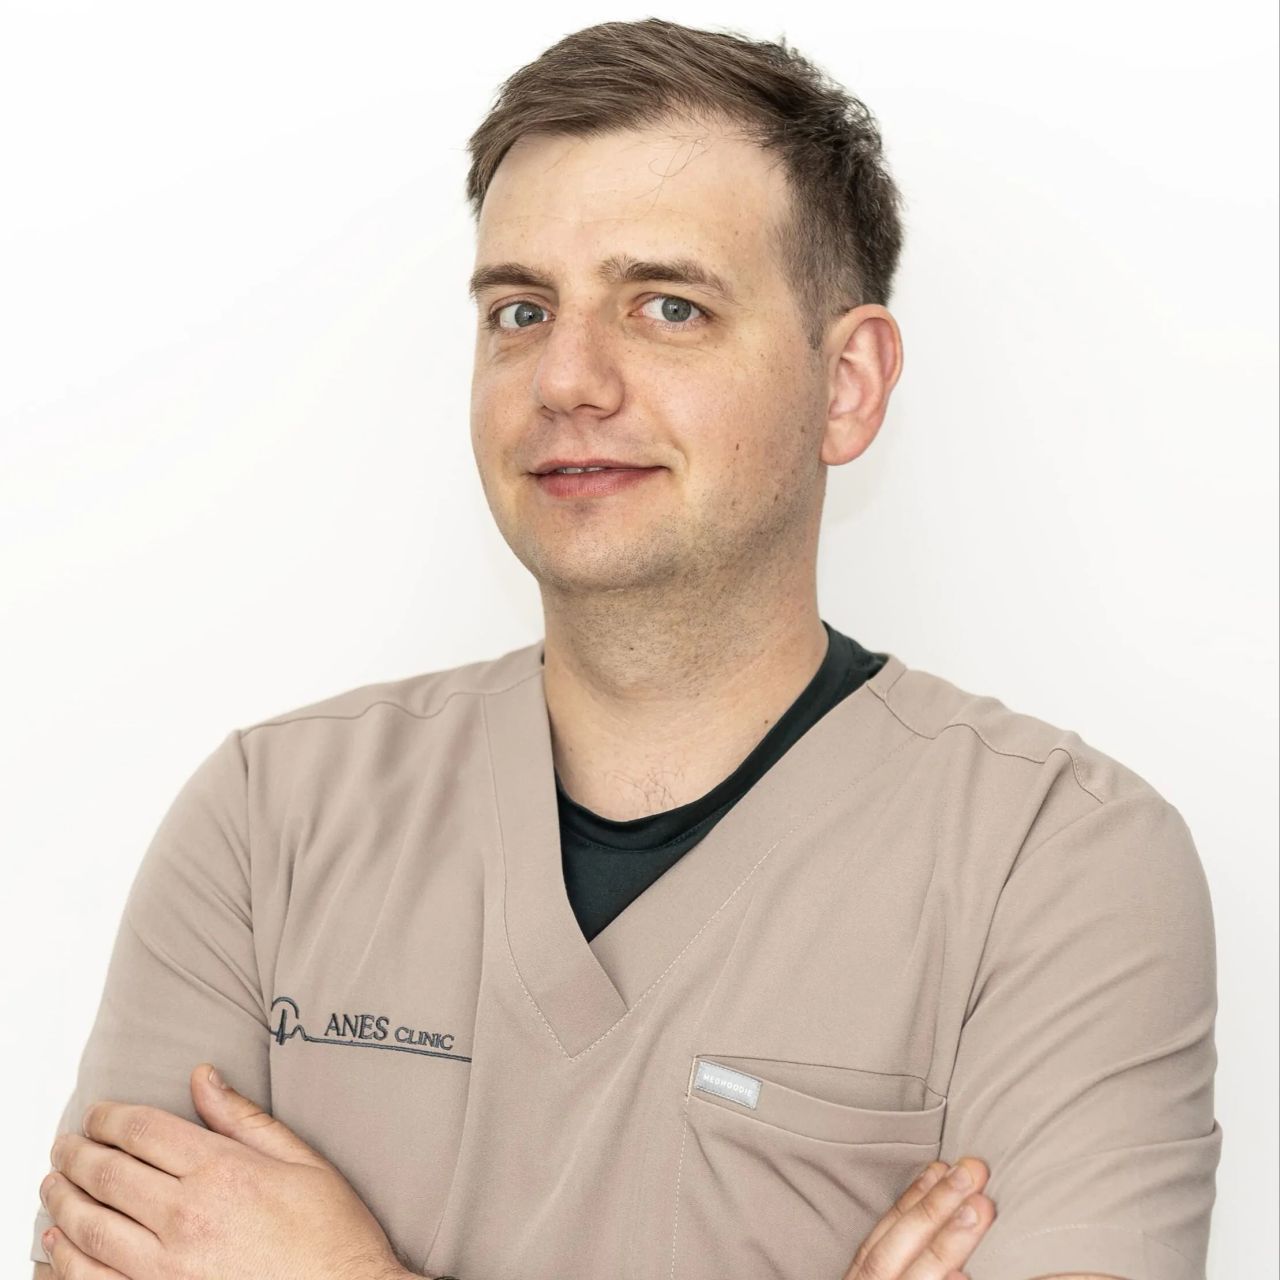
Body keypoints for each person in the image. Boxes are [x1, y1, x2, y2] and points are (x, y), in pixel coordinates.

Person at [31, 18, 1221, 1280]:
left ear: (847, 383)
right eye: (520, 309)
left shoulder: (1055, 863)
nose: (566, 379)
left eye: (666, 307)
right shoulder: (268, 825)